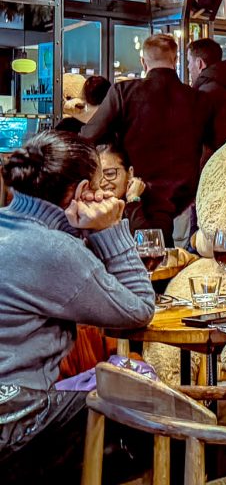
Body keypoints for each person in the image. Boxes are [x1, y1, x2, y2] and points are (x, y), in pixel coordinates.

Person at [0, 131, 155, 477]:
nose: (103, 195)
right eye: (99, 186)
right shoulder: (52, 249)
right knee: (147, 415)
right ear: (81, 190)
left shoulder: (10, 226)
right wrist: (109, 229)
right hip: (12, 423)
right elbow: (139, 309)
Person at [83, 33, 216, 244]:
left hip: (136, 196)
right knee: (175, 265)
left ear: (143, 62)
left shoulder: (124, 92)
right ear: (175, 60)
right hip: (184, 205)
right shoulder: (199, 100)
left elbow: (88, 136)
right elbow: (213, 150)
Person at [187, 38, 226, 150]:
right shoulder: (222, 88)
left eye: (189, 62)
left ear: (199, 63)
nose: (188, 67)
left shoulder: (205, 93)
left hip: (210, 164)